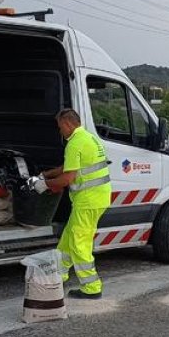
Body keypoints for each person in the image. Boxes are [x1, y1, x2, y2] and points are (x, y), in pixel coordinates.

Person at [42, 109, 111, 299]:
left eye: (60, 128)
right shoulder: (88, 138)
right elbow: (69, 167)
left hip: (88, 200)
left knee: (79, 242)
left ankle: (91, 287)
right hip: (97, 197)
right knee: (68, 237)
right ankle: (59, 274)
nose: (60, 132)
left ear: (67, 124)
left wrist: (43, 185)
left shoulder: (74, 144)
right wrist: (48, 174)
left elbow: (68, 179)